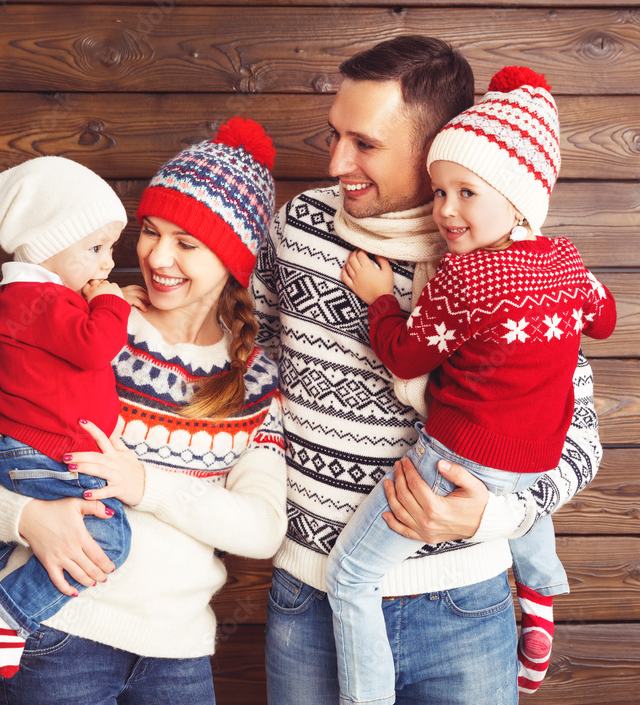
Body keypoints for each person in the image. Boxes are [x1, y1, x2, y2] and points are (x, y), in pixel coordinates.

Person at [251, 36, 604, 704]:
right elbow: (251, 358)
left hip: (462, 610)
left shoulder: (509, 266)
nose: (336, 162)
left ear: (438, 144)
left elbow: (577, 438)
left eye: (365, 143)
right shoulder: (298, 228)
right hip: (311, 598)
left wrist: (490, 520)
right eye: (335, 136)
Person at [0, 117, 287, 704]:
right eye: (150, 231)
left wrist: (147, 484)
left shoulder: (254, 381)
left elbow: (263, 528)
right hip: (53, 637)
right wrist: (25, 519)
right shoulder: (89, 327)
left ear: (233, 260)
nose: (157, 256)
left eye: (187, 243)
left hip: (179, 656)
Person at [0, 155, 136, 696]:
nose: (107, 265)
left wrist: (98, 297)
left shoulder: (39, 296)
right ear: (44, 244)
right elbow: (93, 346)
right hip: (39, 454)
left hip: (18, 449)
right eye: (95, 249)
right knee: (109, 535)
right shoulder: (38, 297)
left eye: (110, 248)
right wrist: (111, 305)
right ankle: (13, 608)